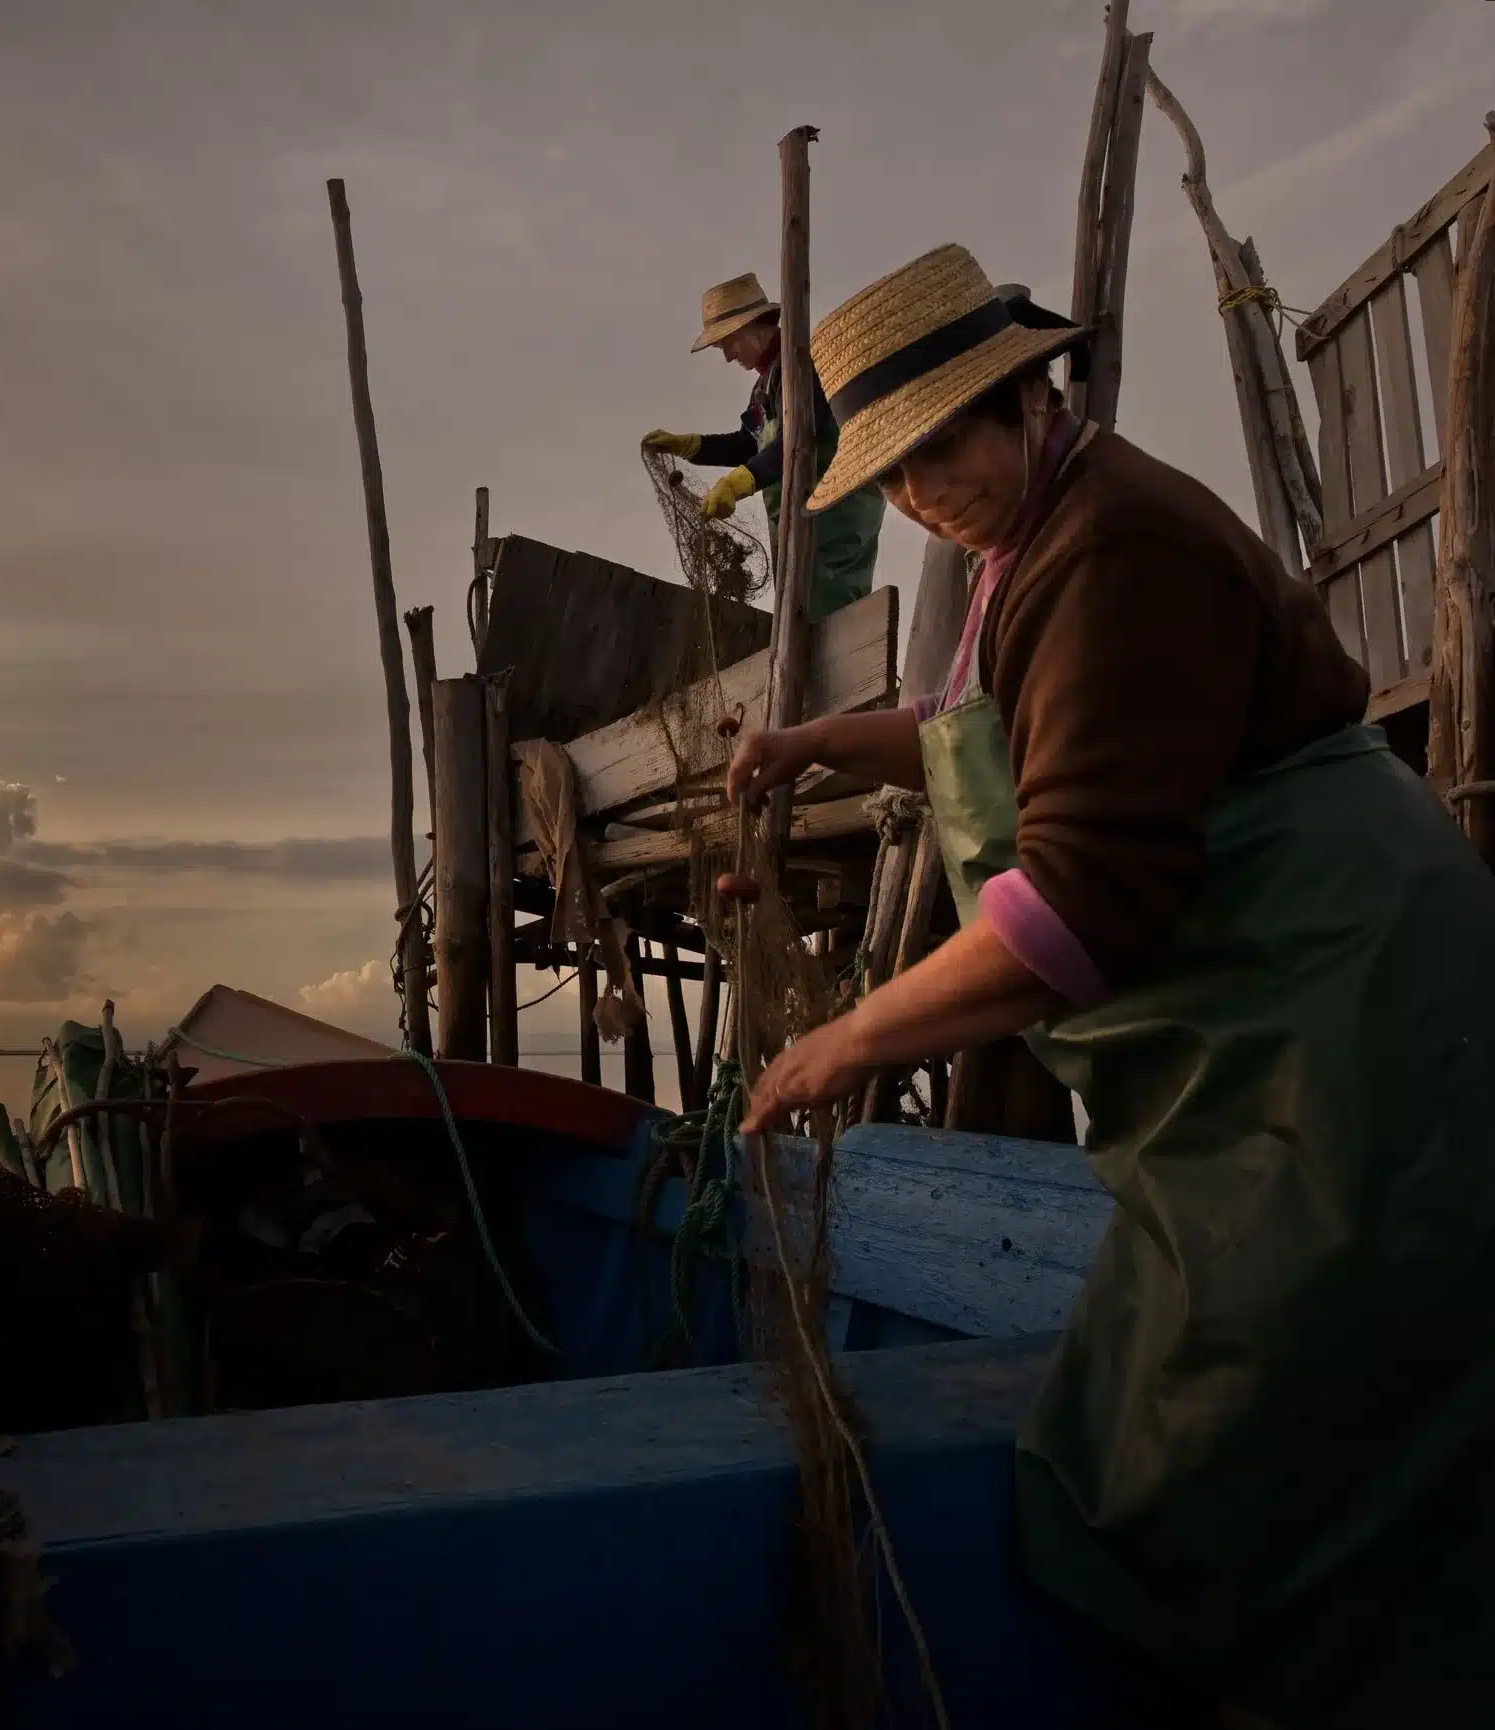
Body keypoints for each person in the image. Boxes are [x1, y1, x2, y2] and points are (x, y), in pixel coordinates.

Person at [728, 241, 1495, 1727]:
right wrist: (825, 742)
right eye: (885, 476)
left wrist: (841, 1043)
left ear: (1022, 395)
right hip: (1274, 1025)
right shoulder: (1041, 530)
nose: (914, 495)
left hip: (1353, 1012)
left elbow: (1075, 912)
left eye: (933, 449)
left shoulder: (1116, 544)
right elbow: (990, 725)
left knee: (1265, 1413)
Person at [641, 271, 884, 619]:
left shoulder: (804, 367)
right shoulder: (766, 383)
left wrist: (737, 482)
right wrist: (691, 446)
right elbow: (749, 443)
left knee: (831, 618)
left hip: (834, 519)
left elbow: (796, 440)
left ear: (756, 324)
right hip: (799, 524)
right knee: (799, 617)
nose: (726, 356)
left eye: (728, 342)